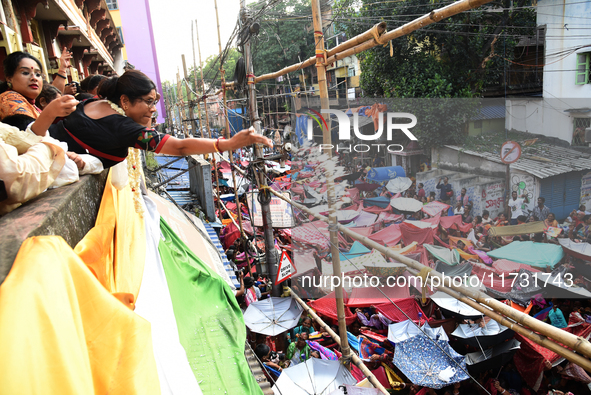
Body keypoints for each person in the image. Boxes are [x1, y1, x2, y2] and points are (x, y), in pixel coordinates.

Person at [47, 70, 272, 168]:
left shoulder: (89, 102)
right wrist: (228, 144)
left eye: (154, 102)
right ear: (124, 101)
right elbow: (180, 147)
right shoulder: (124, 128)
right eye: (148, 101)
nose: (153, 109)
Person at [0, 51, 77, 122]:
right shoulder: (9, 99)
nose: (34, 78)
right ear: (9, 78)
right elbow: (30, 133)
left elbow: (55, 94)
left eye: (38, 74)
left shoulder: (29, 103)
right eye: (25, 73)